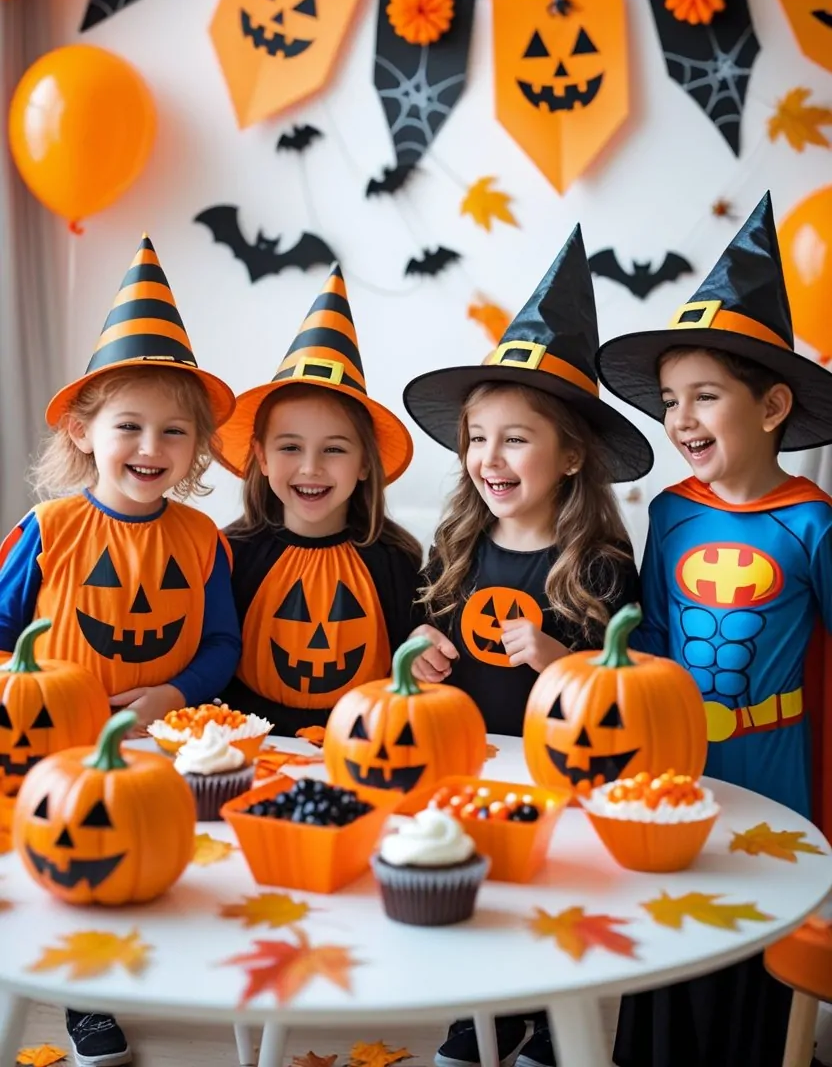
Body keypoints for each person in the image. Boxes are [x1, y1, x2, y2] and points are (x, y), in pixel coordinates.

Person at [403, 226, 651, 1067]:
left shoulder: (600, 567)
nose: (488, 457)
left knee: (554, 898)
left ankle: (552, 1021)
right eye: (477, 437)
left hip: (561, 767)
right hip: (471, 759)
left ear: (571, 454)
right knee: (483, 892)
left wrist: (558, 659)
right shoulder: (457, 548)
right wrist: (425, 649)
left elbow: (628, 689)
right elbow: (426, 627)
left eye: (515, 438)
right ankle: (479, 1022)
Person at [596, 191, 832, 1067]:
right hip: (681, 756)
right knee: (678, 918)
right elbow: (655, 636)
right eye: (669, 400)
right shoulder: (671, 511)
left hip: (777, 762)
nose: (681, 419)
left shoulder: (814, 523)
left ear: (772, 406)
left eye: (705, 396)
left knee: (758, 918)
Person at [0, 235, 241, 1067]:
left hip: (157, 741)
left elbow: (220, 644)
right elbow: (1, 635)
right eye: (129, 425)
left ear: (198, 446)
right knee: (74, 863)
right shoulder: (49, 531)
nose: (151, 446)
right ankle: (83, 996)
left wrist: (172, 694)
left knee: (149, 859)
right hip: (53, 742)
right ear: (82, 429)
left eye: (175, 431)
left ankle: (162, 976)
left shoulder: (203, 537)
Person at [219, 262, 422, 735]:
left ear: (366, 464)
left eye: (334, 449)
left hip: (364, 743)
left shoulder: (396, 561)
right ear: (261, 458)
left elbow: (410, 671)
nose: (310, 467)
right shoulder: (229, 556)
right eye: (290, 447)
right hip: (251, 743)